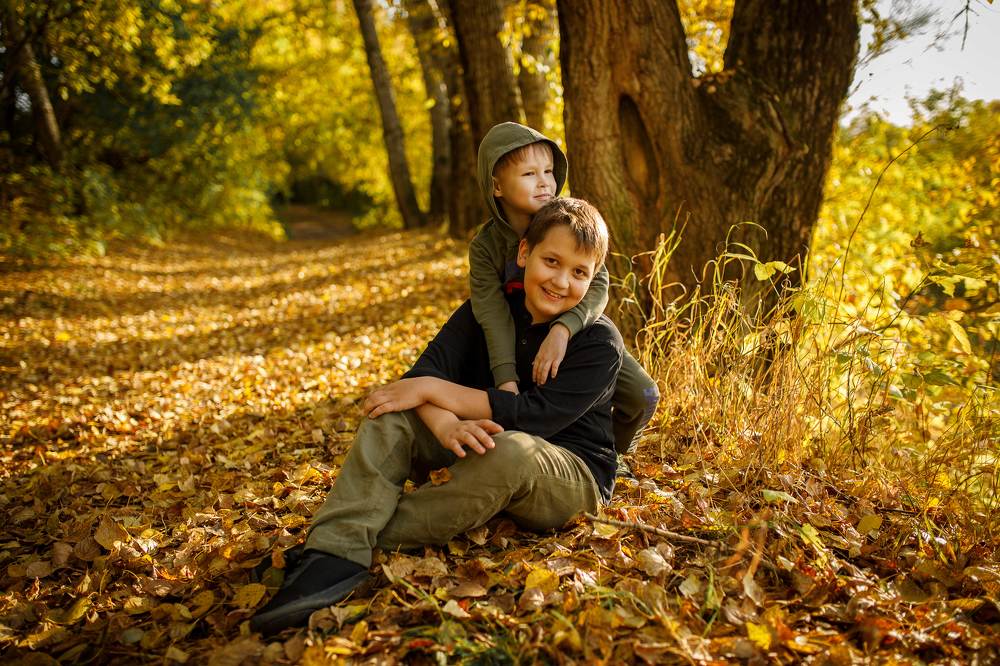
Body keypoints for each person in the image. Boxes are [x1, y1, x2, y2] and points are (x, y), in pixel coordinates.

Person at [250, 197, 623, 636]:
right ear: (524, 253)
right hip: (484, 440)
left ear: (593, 278)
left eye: (579, 272)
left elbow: (534, 417)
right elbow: (420, 376)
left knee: (512, 451)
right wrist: (444, 421)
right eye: (551, 261)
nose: (561, 281)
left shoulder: (600, 343)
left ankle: (349, 541)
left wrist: (434, 390)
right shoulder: (487, 311)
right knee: (391, 414)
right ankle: (334, 558)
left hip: (569, 472)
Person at [471, 122, 659, 466]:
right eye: (529, 173)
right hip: (521, 331)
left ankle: (612, 456)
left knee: (644, 394)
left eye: (548, 171)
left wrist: (564, 329)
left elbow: (598, 283)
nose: (544, 181)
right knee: (532, 399)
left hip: (578, 324)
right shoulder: (486, 247)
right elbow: (491, 312)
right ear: (497, 186)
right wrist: (506, 380)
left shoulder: (569, 220)